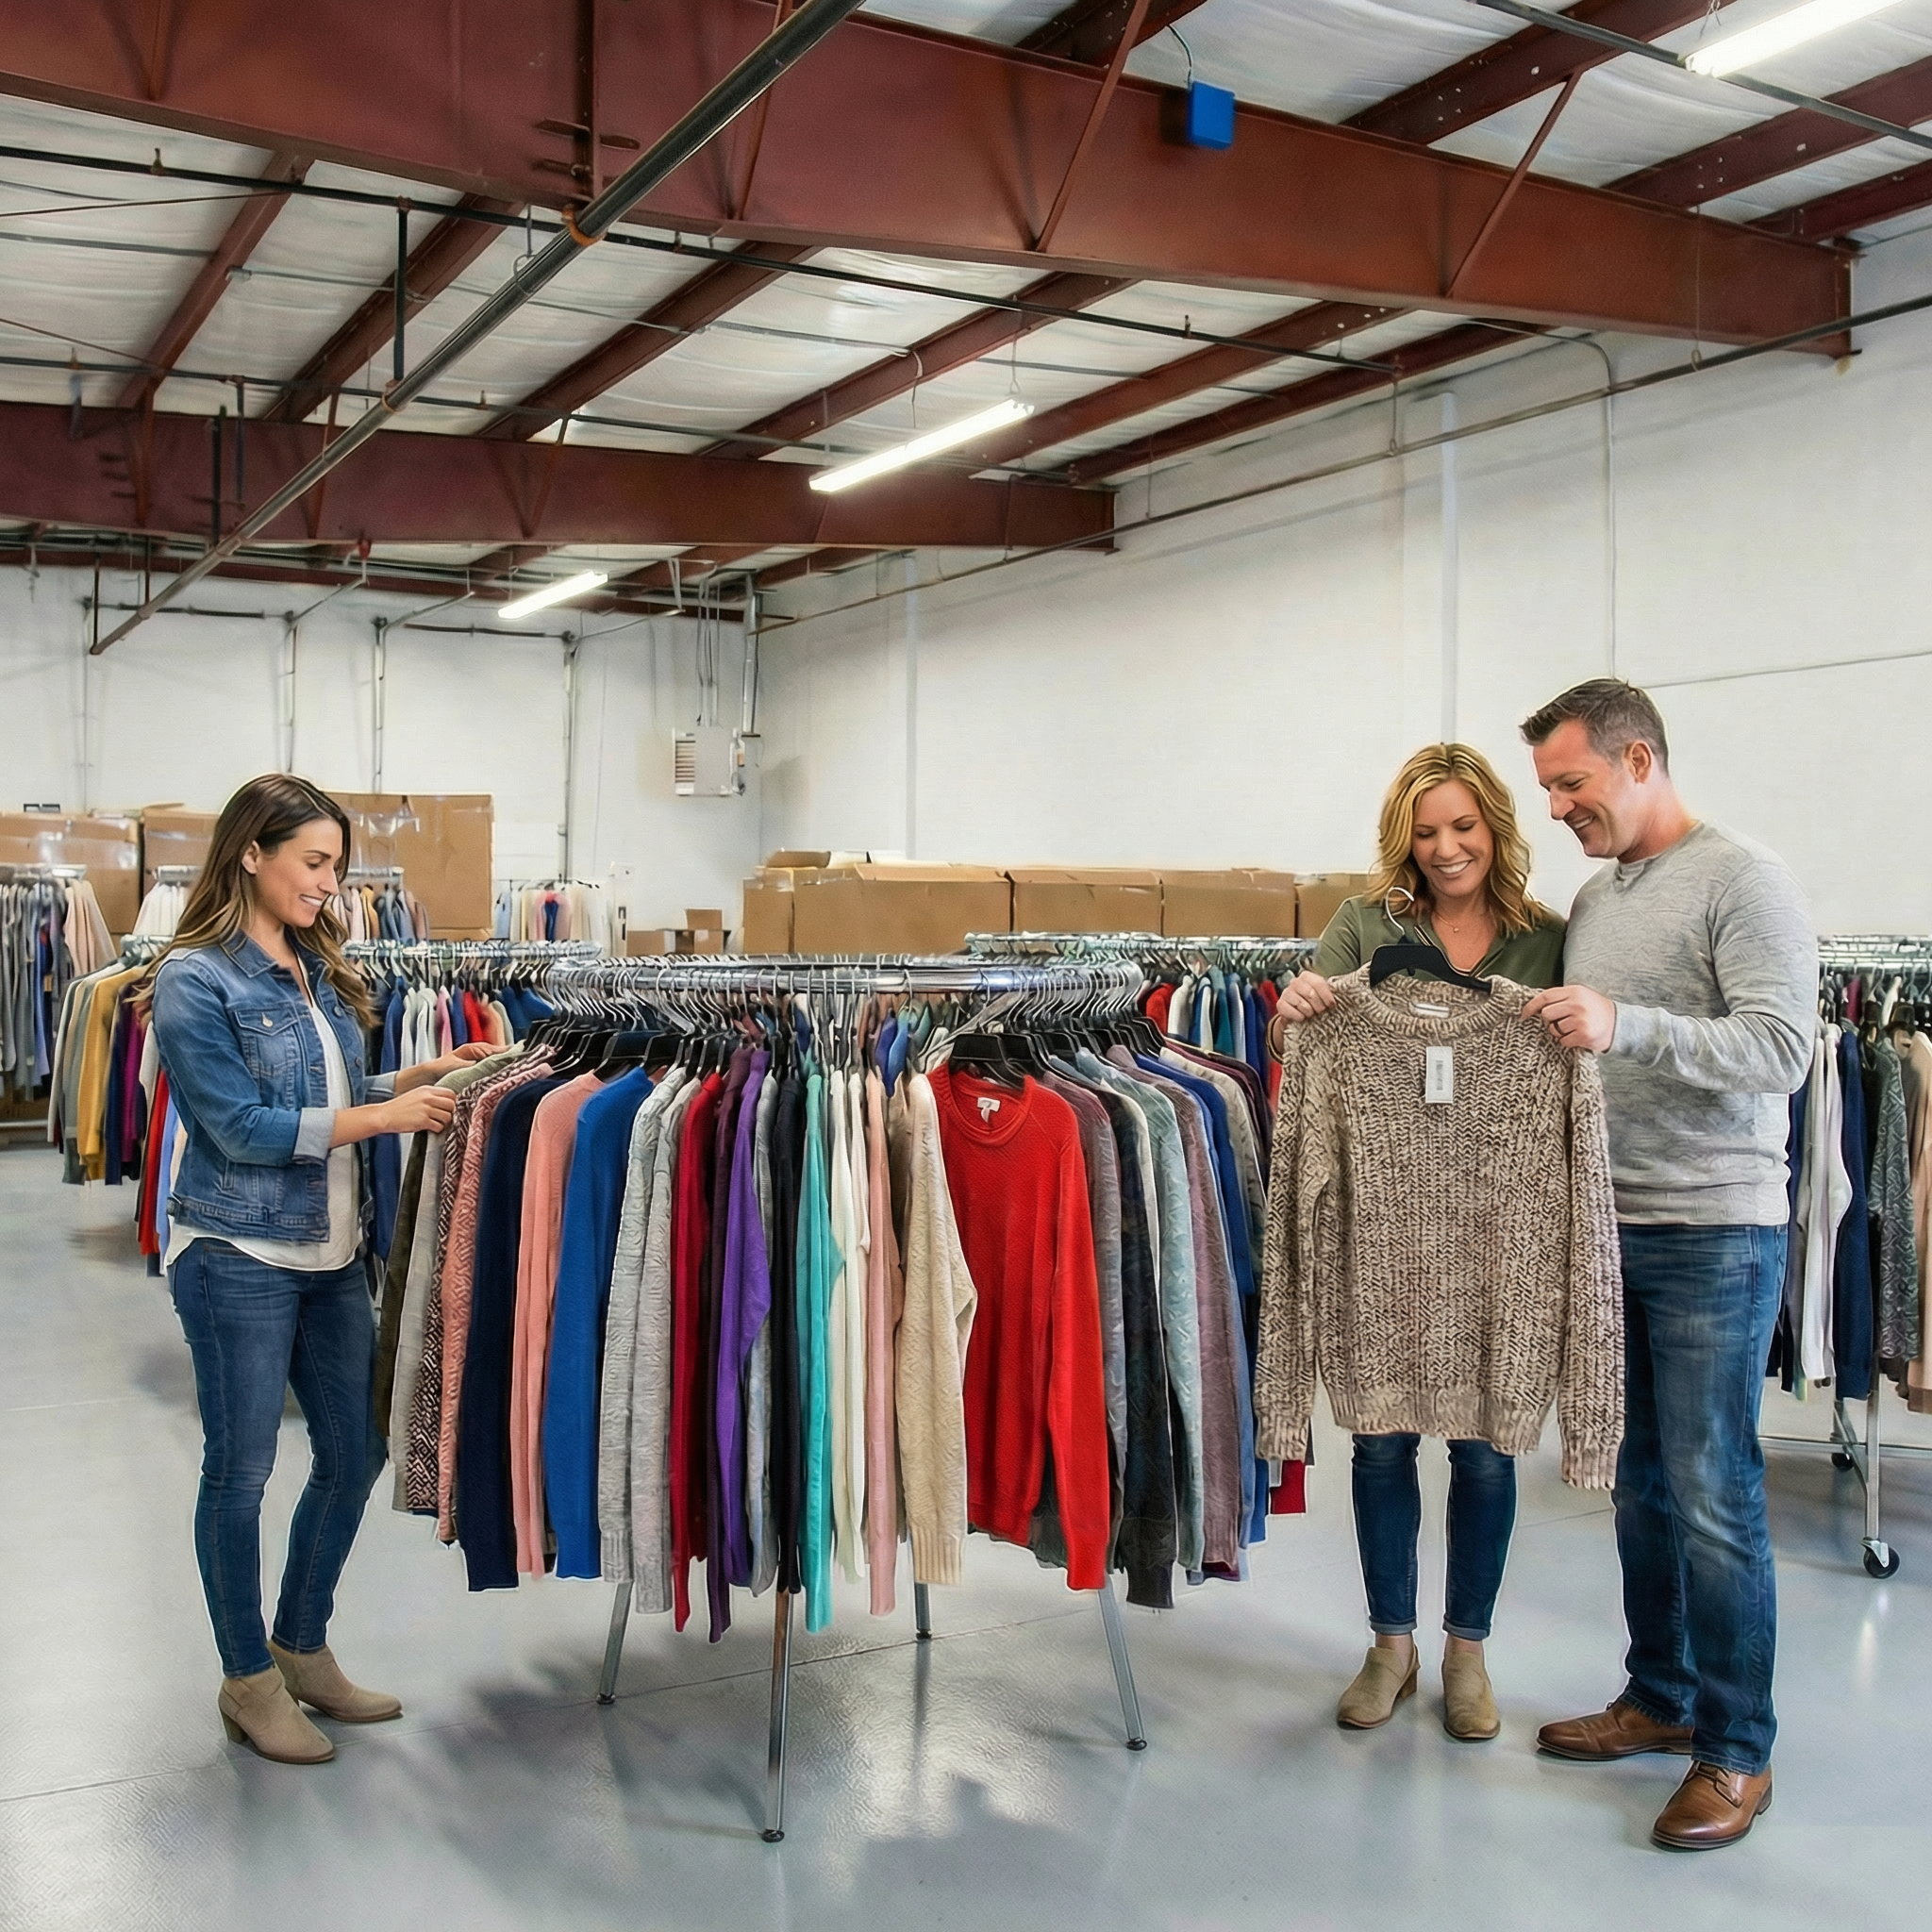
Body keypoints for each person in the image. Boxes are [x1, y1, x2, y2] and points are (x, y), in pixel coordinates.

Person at [1519, 681, 1814, 1852]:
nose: (1555, 807)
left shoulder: (1744, 878)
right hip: (1609, 1227)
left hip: (1712, 1230)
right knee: (1637, 1480)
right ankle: (1659, 1694)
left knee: (1711, 1489)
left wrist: (1622, 1022)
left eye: (1570, 782)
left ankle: (1735, 1750)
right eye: (1547, 788)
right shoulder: (1597, 897)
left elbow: (1781, 1048)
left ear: (1636, 758)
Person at [145, 775, 490, 1764]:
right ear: (251, 852)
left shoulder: (311, 963)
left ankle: (300, 1644)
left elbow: (324, 1089)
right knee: (241, 1470)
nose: (331, 883)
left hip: (332, 1255)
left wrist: (408, 1079)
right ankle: (246, 1677)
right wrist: (383, 1118)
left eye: (336, 865)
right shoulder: (193, 980)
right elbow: (240, 1126)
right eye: (315, 861)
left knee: (356, 1451)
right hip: (236, 1254)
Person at [1270, 743, 1566, 1742]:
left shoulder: (1546, 941)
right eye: (1425, 831)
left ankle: (1466, 1649)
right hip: (1381, 1229)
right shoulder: (1365, 925)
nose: (1445, 848)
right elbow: (1304, 1050)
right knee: (1380, 1441)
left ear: (1494, 829)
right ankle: (1388, 1644)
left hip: (1494, 1235)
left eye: (1462, 827)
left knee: (1485, 1451)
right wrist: (1296, 1011)